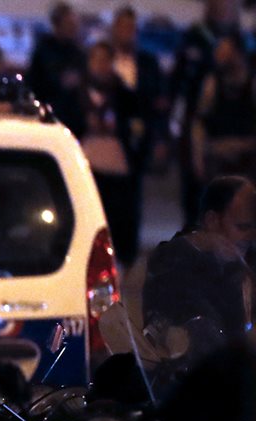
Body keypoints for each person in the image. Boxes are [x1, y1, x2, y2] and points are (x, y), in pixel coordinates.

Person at [143, 175, 256, 345]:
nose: (250, 237)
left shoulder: (238, 267)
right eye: (242, 227)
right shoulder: (171, 267)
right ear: (212, 221)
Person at [172, 0, 241, 224]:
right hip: (198, 123)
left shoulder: (242, 41)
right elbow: (180, 83)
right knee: (195, 189)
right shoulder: (194, 38)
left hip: (233, 132)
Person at [110, 6, 168, 264]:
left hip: (138, 139)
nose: (127, 33)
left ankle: (128, 252)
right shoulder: (104, 59)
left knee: (132, 199)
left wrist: (159, 138)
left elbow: (158, 103)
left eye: (131, 28)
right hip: (111, 138)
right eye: (122, 27)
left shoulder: (147, 62)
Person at [80, 42, 141, 267]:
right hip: (88, 164)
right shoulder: (78, 92)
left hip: (117, 165)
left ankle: (121, 260)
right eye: (96, 60)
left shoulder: (122, 93)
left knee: (119, 217)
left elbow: (135, 119)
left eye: (105, 60)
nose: (100, 66)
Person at [193, 33, 256, 186]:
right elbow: (200, 123)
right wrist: (198, 157)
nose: (217, 54)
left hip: (248, 162)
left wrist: (240, 145)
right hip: (217, 162)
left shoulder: (253, 84)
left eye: (222, 49)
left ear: (237, 53)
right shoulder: (212, 83)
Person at [27, 3, 87, 137]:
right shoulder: (43, 51)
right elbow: (38, 82)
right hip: (50, 110)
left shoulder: (78, 52)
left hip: (74, 115)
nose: (73, 28)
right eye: (69, 23)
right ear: (57, 24)